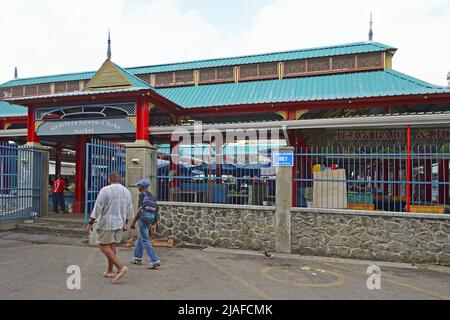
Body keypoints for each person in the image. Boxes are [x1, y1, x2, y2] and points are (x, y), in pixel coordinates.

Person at [85, 172, 133, 284]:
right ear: (119, 179)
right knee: (112, 245)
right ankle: (110, 270)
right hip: (120, 223)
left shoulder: (105, 190)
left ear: (109, 179)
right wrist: (126, 223)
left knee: (103, 246)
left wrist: (91, 222)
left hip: (107, 223)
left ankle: (121, 268)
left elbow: (98, 206)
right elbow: (129, 209)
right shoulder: (126, 191)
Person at [130, 179, 161, 269]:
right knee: (141, 237)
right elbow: (156, 210)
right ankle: (137, 257)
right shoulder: (152, 196)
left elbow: (140, 209)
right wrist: (153, 223)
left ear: (142, 186)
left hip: (143, 219)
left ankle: (155, 260)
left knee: (145, 240)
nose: (137, 187)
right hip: (150, 219)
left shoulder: (142, 194)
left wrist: (133, 221)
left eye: (138, 185)